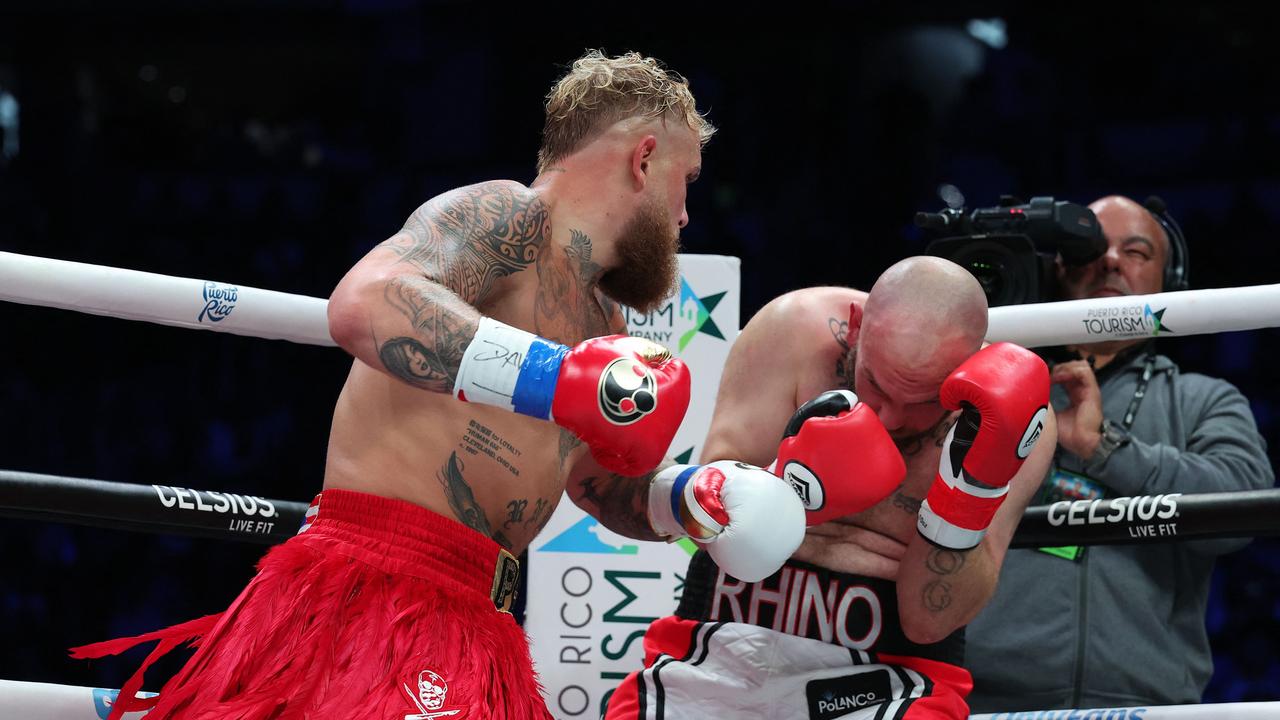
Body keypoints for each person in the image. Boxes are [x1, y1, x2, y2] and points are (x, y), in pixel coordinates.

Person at [70, 50, 807, 720]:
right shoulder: (507, 218)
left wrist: (698, 499)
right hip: (380, 590)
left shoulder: (602, 323)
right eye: (686, 185)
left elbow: (592, 484)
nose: (683, 218)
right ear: (645, 160)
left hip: (484, 624)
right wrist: (552, 378)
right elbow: (364, 300)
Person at [604, 256, 1057, 720]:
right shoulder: (794, 333)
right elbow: (704, 524)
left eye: (924, 401)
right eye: (876, 384)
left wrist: (967, 493)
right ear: (856, 327)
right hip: (723, 638)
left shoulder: (1014, 423)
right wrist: (791, 483)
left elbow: (930, 621)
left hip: (892, 678)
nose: (891, 417)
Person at [964, 195, 1276, 712]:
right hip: (987, 702)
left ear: (1167, 281)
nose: (1110, 261)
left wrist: (1103, 446)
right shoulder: (984, 386)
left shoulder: (1203, 399)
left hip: (1146, 705)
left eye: (1135, 251)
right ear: (1056, 269)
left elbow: (1242, 512)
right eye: (1090, 247)